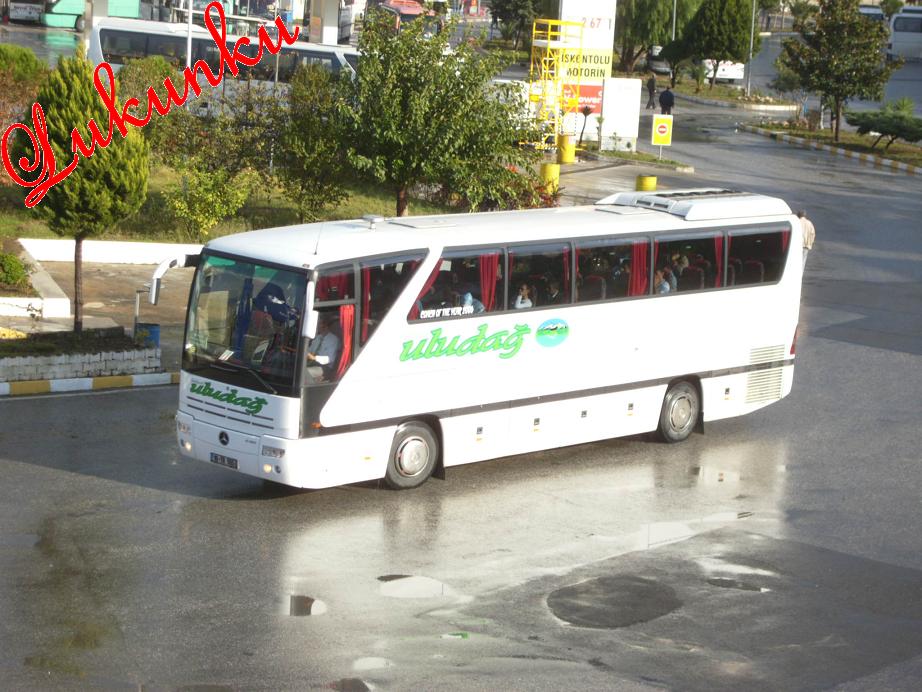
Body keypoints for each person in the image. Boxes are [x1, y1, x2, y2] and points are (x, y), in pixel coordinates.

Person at [306, 314, 341, 380]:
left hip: (325, 367)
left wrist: (314, 358)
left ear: (326, 326)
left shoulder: (333, 340)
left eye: (319, 324)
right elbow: (310, 350)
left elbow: (330, 359)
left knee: (305, 372)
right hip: (312, 363)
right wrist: (305, 353)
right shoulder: (317, 338)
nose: (317, 326)